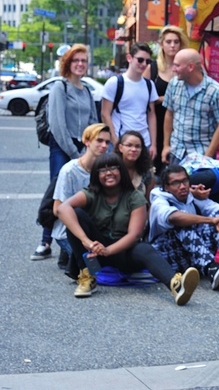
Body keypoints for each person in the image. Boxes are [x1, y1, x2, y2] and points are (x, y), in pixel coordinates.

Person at [57, 153, 199, 305]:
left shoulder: (135, 197)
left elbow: (134, 234)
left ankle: (176, 285)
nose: (109, 173)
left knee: (144, 248)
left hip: (123, 252)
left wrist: (107, 250)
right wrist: (87, 242)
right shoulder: (91, 193)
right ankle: (87, 277)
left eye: (113, 168)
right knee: (75, 215)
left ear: (121, 171)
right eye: (103, 170)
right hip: (94, 252)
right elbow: (62, 208)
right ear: (96, 175)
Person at [33, 44, 98, 261]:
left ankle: (68, 245)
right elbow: (58, 125)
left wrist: (88, 149)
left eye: (83, 61)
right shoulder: (60, 88)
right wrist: (74, 153)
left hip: (83, 147)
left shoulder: (87, 90)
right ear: (67, 63)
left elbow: (93, 123)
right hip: (62, 146)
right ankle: (46, 241)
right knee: (59, 192)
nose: (80, 64)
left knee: (79, 194)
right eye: (75, 60)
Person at [52, 124, 114, 278]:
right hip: (69, 229)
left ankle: (73, 258)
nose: (104, 145)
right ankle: (77, 265)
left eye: (107, 142)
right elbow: (57, 209)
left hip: (95, 226)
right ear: (87, 141)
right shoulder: (69, 171)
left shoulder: (105, 169)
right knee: (95, 261)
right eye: (99, 141)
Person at [162, 48, 219, 163]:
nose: (173, 69)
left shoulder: (215, 90)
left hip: (201, 153)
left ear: (191, 67)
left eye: (177, 66)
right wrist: (166, 145)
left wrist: (207, 157)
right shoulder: (174, 84)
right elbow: (169, 113)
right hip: (177, 152)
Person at [144, 25, 191, 176]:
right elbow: (143, 96)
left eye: (176, 42)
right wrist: (163, 99)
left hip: (181, 123)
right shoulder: (152, 68)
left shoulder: (188, 68)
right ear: (161, 44)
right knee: (154, 167)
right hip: (155, 121)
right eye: (168, 41)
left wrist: (162, 98)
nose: (172, 45)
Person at [101, 42, 158, 155]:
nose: (144, 64)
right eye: (140, 60)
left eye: (148, 61)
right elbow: (105, 114)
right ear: (129, 58)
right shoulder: (115, 83)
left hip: (144, 144)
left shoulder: (149, 85)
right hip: (122, 142)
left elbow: (151, 115)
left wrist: (153, 144)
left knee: (142, 173)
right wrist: (115, 142)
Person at [114, 130, 155, 200]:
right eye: (129, 145)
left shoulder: (147, 171)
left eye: (138, 146)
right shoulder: (111, 168)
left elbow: (149, 202)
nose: (133, 149)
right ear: (120, 148)